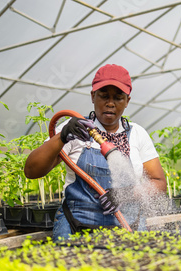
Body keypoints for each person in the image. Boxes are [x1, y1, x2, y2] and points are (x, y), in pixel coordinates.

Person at [24, 64, 167, 241]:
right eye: (104, 96)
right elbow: (32, 171)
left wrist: (126, 193)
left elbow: (159, 183)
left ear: (127, 101)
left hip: (128, 229)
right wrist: (62, 137)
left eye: (118, 98)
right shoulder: (75, 130)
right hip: (77, 229)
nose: (110, 103)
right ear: (93, 96)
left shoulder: (138, 134)